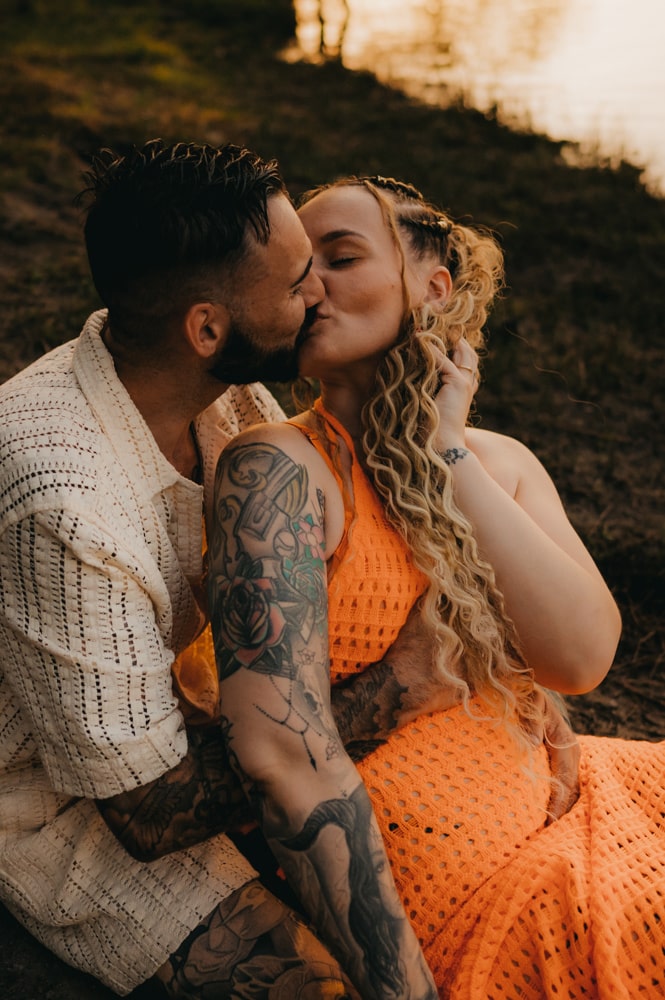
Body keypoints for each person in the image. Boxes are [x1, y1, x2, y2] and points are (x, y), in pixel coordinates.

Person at [0, 139, 452, 999]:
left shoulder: (222, 394)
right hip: (55, 806)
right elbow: (142, 811)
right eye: (295, 284)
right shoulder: (60, 498)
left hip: (200, 724)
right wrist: (393, 686)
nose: (318, 291)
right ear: (206, 327)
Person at [207, 174, 665, 999]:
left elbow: (580, 658)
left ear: (432, 287)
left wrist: (446, 451)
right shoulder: (283, 469)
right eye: (298, 267)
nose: (310, 285)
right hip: (463, 898)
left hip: (572, 802)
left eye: (339, 258)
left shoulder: (498, 464)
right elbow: (278, 751)